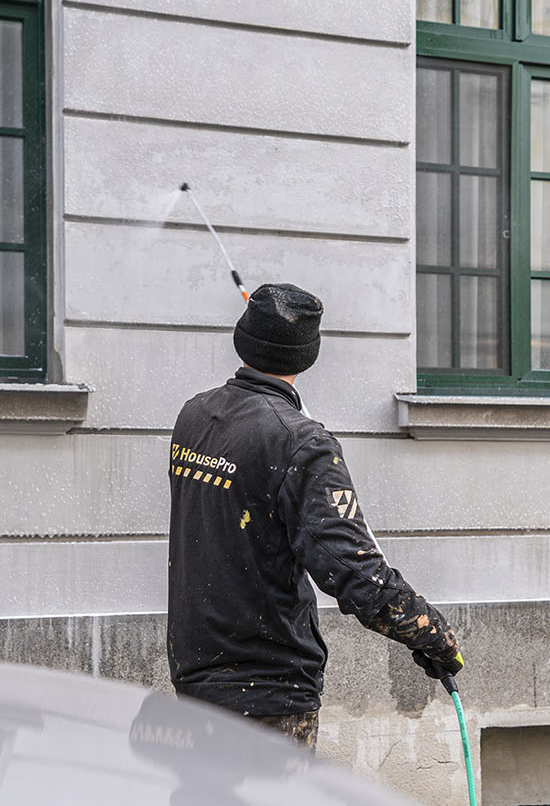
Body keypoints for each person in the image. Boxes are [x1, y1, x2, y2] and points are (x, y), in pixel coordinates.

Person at [166, 283, 464, 750]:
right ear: (307, 355)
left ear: (243, 339)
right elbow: (355, 572)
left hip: (195, 674)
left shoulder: (194, 415)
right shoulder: (302, 443)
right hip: (267, 691)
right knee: (273, 803)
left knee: (207, 800)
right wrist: (431, 633)